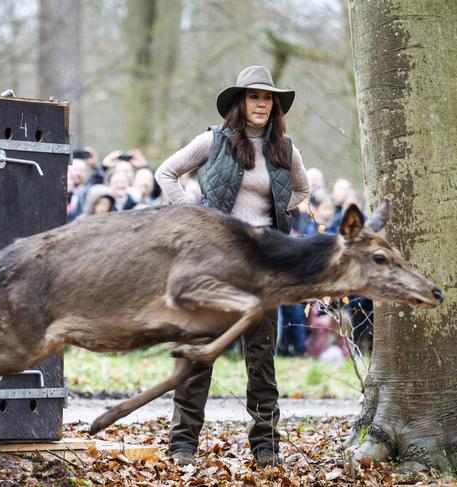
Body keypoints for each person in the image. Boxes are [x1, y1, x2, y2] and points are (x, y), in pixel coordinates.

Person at [155, 65, 310, 467]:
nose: (261, 104)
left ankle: (265, 447)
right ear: (240, 102)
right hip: (216, 263)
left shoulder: (285, 149)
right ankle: (183, 444)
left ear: (274, 106)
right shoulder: (213, 140)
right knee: (200, 352)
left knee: (261, 361)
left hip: (265, 267)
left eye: (267, 98)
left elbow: (302, 190)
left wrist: (275, 211)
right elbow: (166, 172)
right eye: (254, 96)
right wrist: (194, 215)